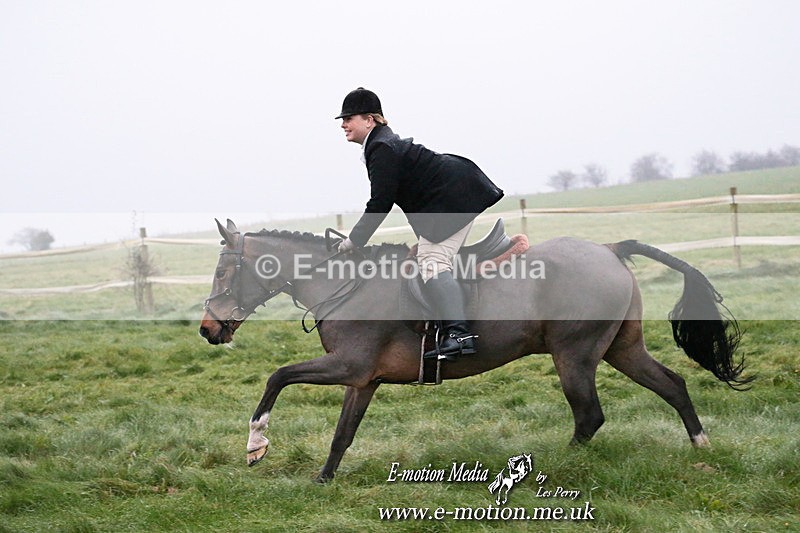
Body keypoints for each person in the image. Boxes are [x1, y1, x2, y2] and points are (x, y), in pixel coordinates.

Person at [335, 87, 504, 360]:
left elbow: (380, 203)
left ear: (370, 119)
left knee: (433, 261)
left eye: (349, 118)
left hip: (455, 196)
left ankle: (460, 335)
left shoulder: (381, 147)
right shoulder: (379, 145)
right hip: (452, 195)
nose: (343, 124)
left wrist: (354, 240)